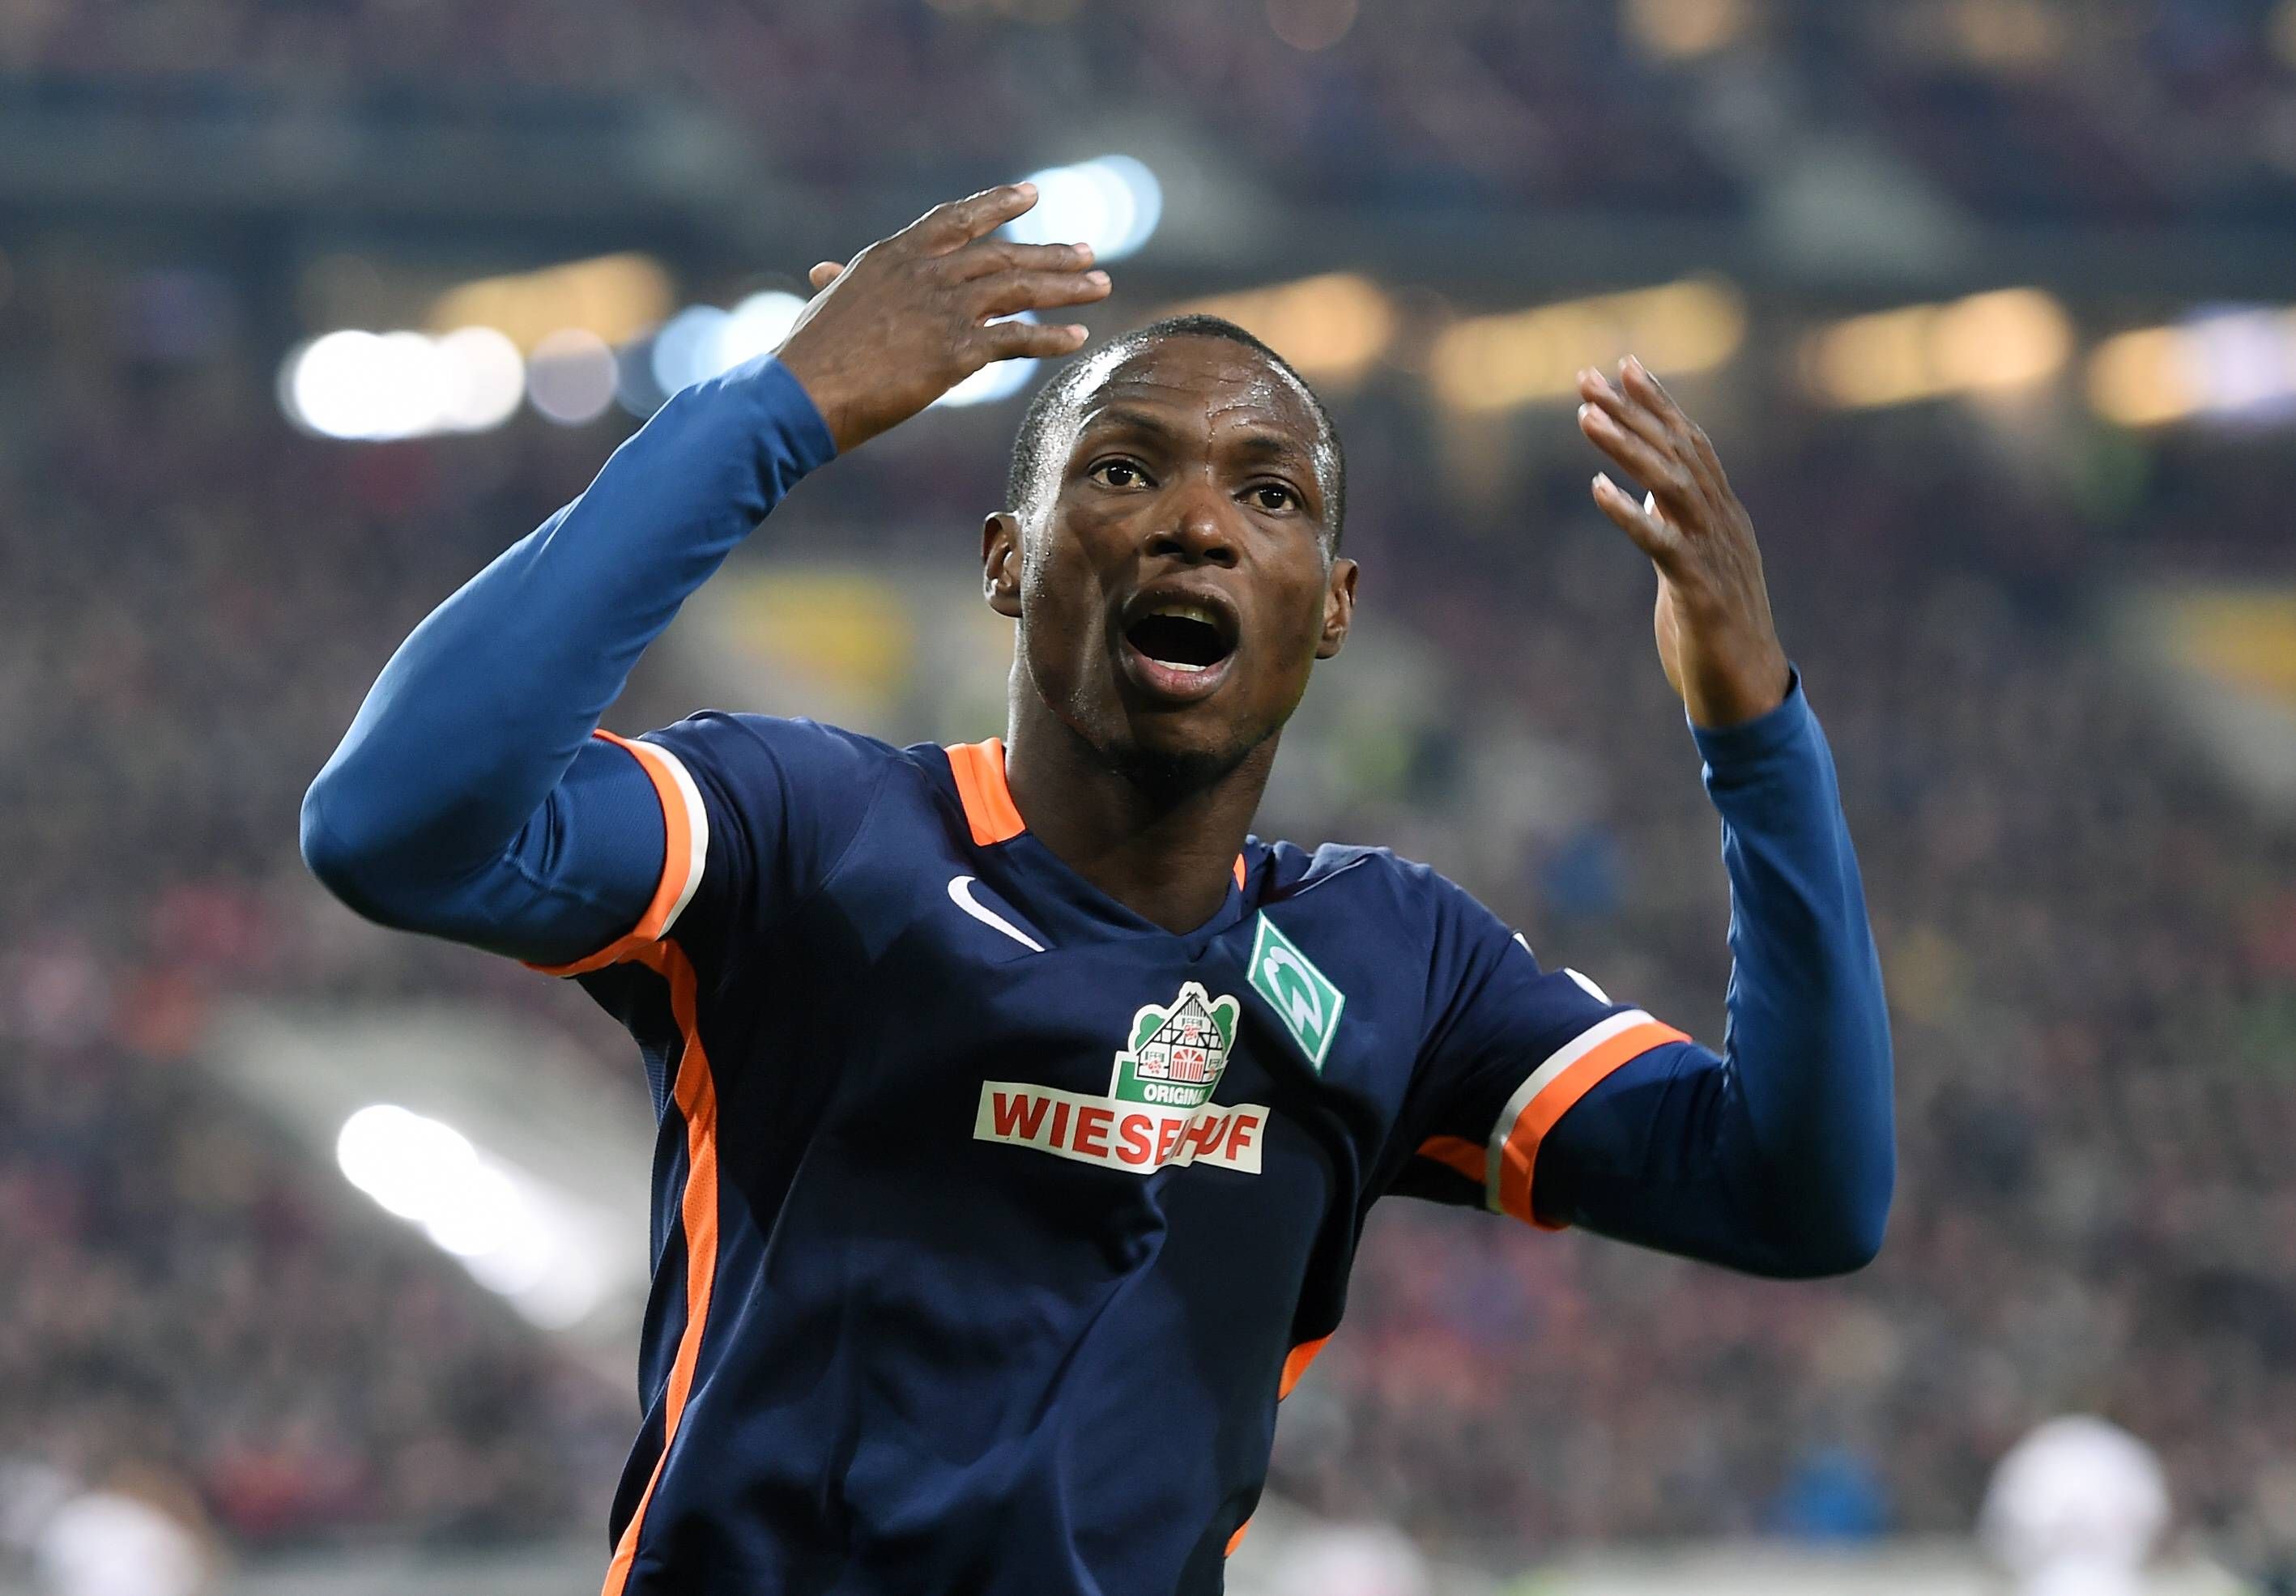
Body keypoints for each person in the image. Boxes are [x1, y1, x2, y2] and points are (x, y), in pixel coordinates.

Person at [301, 183, 1895, 1596]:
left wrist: (1753, 731)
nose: (1198, 522)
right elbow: (392, 823)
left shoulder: (1392, 958)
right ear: (1006, 560)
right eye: (1124, 472)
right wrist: (777, 406)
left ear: (1330, 609)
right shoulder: (812, 835)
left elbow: (1796, 1193)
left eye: (1268, 495)